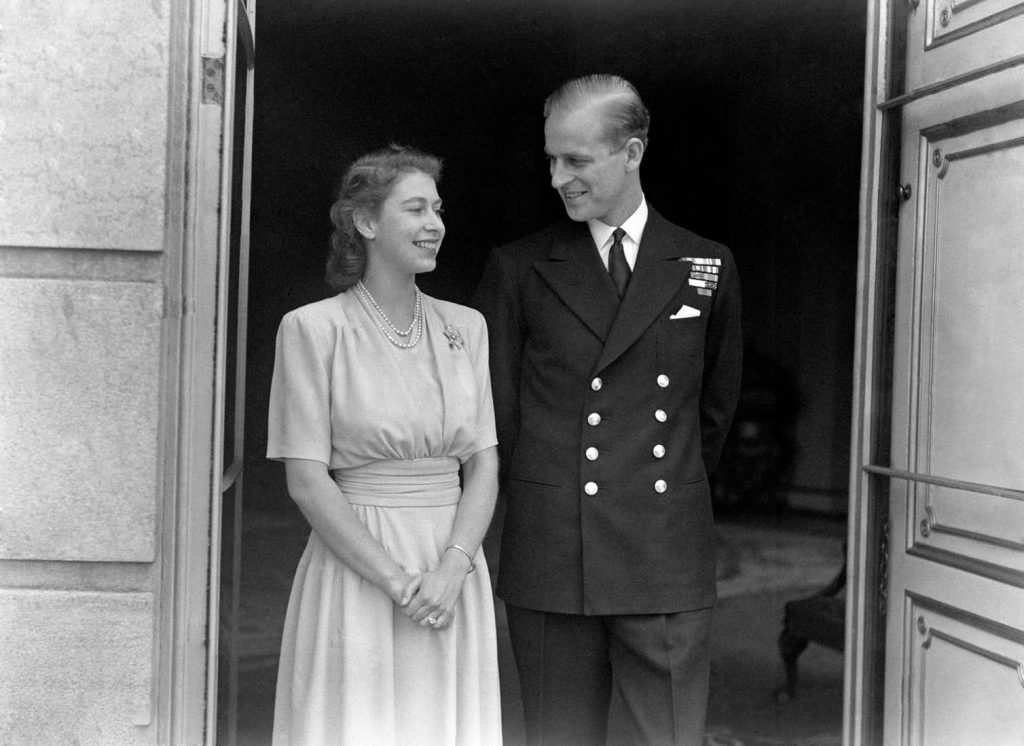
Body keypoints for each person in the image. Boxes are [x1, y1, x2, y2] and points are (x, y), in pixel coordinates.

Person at [473, 75, 742, 745]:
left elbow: (714, 410)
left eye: (577, 160)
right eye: (551, 159)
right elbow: (494, 417)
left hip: (664, 555)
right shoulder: (520, 268)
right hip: (553, 555)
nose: (559, 177)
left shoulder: (707, 264)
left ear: (632, 152)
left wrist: (667, 493)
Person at [267, 145, 502, 745]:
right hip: (359, 568)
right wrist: (396, 582)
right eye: (416, 209)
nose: (435, 225)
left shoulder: (465, 327)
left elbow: (483, 463)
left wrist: (452, 569)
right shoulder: (312, 329)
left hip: (451, 567)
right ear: (367, 223)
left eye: (439, 210)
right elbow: (306, 479)